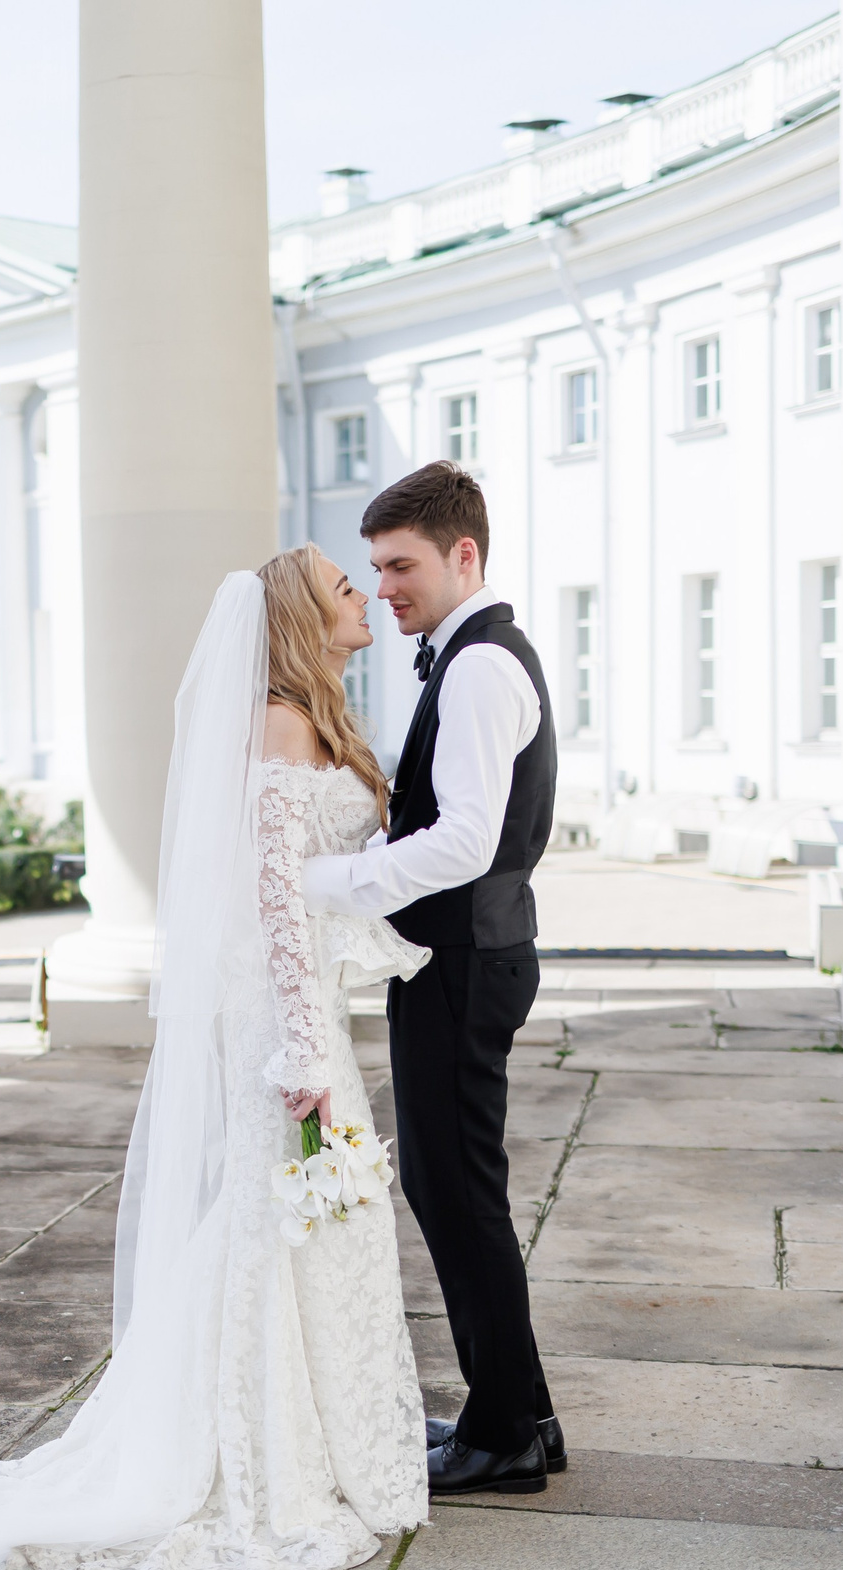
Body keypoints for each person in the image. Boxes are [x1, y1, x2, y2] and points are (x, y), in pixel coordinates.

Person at [0, 547, 427, 1570]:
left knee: (291, 1223)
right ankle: (264, 1455)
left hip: (307, 1015)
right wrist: (301, 1048)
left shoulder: (311, 716)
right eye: (345, 586)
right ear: (304, 614)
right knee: (279, 1224)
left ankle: (322, 1438)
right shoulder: (279, 722)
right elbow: (275, 907)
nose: (361, 598)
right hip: (284, 1021)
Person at [303, 460, 565, 1496]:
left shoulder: (480, 666)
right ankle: (521, 1415)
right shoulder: (464, 656)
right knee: (458, 1187)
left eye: (401, 564)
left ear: (465, 554)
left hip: (463, 956)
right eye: (372, 567)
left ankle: (504, 1429)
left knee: (455, 1191)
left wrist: (337, 881)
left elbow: (465, 838)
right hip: (460, 953)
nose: (385, 587)